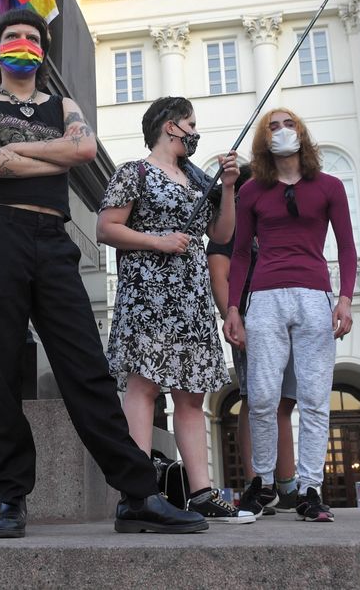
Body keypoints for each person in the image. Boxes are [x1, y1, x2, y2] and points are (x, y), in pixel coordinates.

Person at [0, 7, 207, 538]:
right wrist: (51, 155)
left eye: (32, 37)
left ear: (42, 51)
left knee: (86, 369)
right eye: (13, 36)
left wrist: (14, 148)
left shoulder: (61, 102)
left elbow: (85, 148)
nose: (23, 43)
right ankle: (10, 499)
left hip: (53, 240)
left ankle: (137, 495)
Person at [96, 96, 250, 525]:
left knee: (191, 391)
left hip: (190, 295)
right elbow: (106, 227)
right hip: (148, 290)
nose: (195, 132)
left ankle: (201, 491)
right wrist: (159, 240)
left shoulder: (198, 180)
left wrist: (231, 187)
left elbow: (221, 233)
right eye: (190, 123)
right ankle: (137, 490)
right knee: (143, 386)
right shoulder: (135, 171)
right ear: (169, 126)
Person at [222, 109, 356, 523]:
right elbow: (241, 251)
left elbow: (347, 247)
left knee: (315, 398)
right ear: (263, 141)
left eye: (289, 124)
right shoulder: (252, 192)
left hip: (315, 295)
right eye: (273, 127)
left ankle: (310, 489)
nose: (281, 131)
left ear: (302, 133)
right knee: (261, 396)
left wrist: (345, 298)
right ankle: (261, 483)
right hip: (264, 298)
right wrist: (233, 308)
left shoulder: (329, 186)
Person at [205, 166, 298, 517]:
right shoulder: (229, 231)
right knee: (254, 399)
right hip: (251, 321)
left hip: (286, 317)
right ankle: (257, 482)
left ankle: (287, 485)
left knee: (284, 402)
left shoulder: (272, 226)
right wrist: (234, 318)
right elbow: (220, 278)